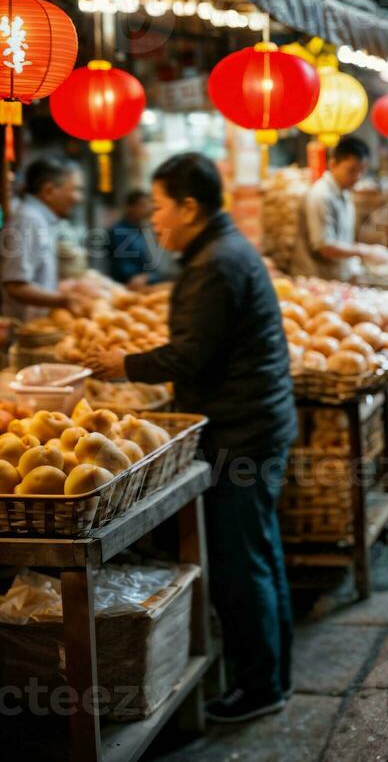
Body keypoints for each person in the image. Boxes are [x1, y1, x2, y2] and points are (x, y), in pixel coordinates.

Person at [85, 153, 297, 724]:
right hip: (255, 420)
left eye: (159, 207)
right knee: (259, 550)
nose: (154, 220)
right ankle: (271, 675)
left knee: (240, 560)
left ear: (189, 206)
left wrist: (122, 362)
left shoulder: (215, 264)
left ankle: (259, 687)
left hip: (241, 431)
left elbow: (188, 354)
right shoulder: (219, 253)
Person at [289, 135, 386, 279]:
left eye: (362, 171)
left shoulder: (344, 192)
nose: (357, 177)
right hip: (316, 280)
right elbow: (325, 247)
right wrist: (366, 251)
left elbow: (342, 239)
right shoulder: (321, 195)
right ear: (333, 164)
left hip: (337, 278)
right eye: (352, 170)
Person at [1, 156, 85, 321]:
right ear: (49, 191)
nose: (78, 198)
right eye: (75, 189)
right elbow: (15, 285)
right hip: (25, 332)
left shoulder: (39, 218)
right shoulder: (29, 219)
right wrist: (62, 301)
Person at [107, 189, 160, 288]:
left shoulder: (141, 230)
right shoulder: (118, 231)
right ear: (129, 207)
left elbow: (149, 264)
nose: (146, 210)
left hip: (144, 284)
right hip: (124, 286)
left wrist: (149, 276)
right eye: (142, 206)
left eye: (147, 205)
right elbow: (123, 268)